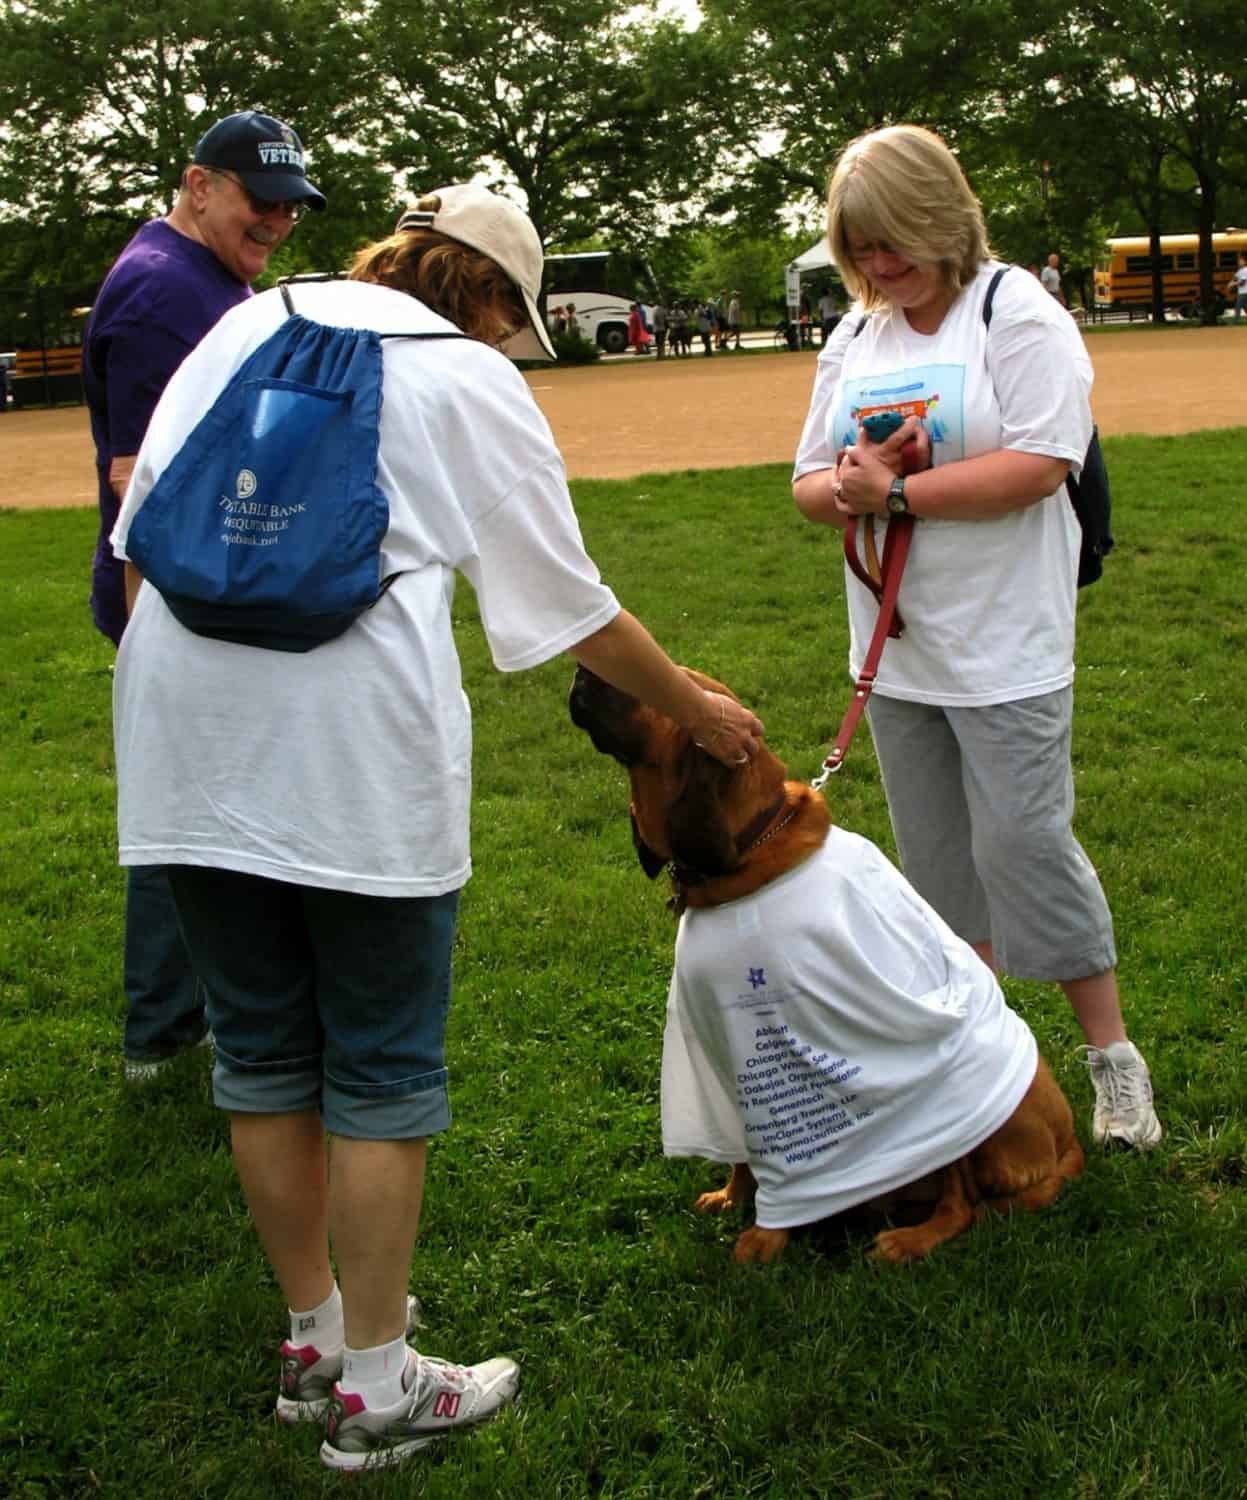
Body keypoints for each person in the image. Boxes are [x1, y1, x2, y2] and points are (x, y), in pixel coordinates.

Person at [108, 183, 763, 1472]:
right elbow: (569, 611)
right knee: (382, 1065)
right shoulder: (467, 378)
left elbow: (136, 548)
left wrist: (177, 728)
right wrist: (702, 712)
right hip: (349, 761)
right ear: (496, 300)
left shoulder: (239, 328)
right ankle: (376, 1383)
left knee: (259, 1054)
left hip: (182, 746)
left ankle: (313, 1342)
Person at [791, 124, 1161, 1153]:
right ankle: (982, 1070)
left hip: (1005, 645)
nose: (875, 264)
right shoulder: (854, 337)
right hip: (896, 651)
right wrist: (854, 487)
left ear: (938, 214)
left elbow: (1043, 460)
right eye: (857, 245)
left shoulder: (1016, 313)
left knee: (1027, 846)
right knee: (939, 871)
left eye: (890, 240)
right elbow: (807, 486)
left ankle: (1110, 1061)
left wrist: (897, 487)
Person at [82, 109, 326, 1082]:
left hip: (216, 590)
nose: (274, 221)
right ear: (198, 186)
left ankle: (208, 1014)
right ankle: (164, 1035)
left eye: (289, 208)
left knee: (210, 804)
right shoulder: (158, 296)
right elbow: (136, 479)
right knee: (182, 809)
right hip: (175, 600)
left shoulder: (210, 278)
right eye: (257, 201)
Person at [1229, 252, 1247, 322]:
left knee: (1238, 306)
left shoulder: (1245, 270)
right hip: (1242, 292)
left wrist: (1233, 284)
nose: (1239, 262)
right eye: (1239, 261)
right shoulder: (1240, 271)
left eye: (1241, 261)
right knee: (1245, 306)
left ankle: (1235, 321)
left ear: (1245, 262)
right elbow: (1235, 277)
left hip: (1244, 292)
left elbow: (1243, 282)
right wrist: (1231, 283)